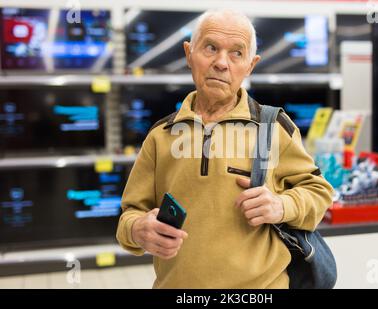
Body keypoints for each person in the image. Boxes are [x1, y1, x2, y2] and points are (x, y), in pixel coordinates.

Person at [116, 9, 333, 289]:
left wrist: (282, 205)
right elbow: (129, 215)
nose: (221, 62)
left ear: (250, 66)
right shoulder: (161, 135)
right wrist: (137, 229)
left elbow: (319, 192)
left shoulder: (273, 126)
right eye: (211, 47)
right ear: (189, 53)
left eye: (236, 53)